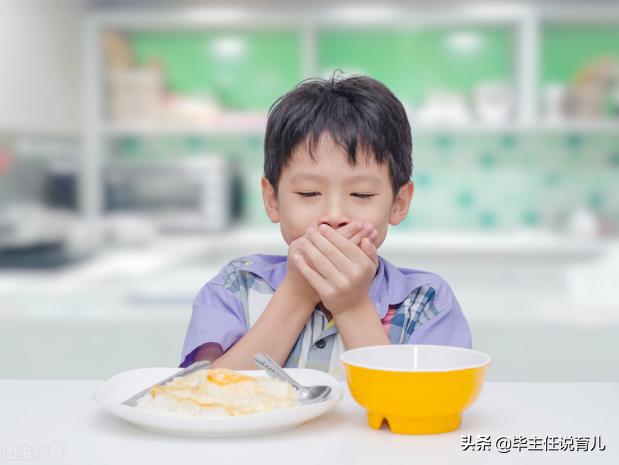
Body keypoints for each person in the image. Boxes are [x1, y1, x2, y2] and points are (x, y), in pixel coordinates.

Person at [179, 72, 471, 379]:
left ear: (398, 203)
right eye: (308, 193)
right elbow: (209, 396)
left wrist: (352, 306)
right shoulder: (236, 286)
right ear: (272, 200)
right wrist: (297, 294)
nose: (333, 215)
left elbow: (419, 412)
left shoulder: (426, 302)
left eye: (361, 194)